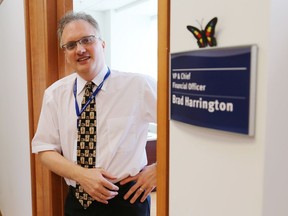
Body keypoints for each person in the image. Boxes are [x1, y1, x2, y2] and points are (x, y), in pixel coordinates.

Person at [32, 11, 157, 216]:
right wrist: (81, 175)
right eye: (71, 45)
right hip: (78, 200)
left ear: (102, 44)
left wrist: (160, 170)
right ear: (65, 52)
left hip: (127, 199)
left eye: (87, 40)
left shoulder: (138, 85)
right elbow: (44, 149)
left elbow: (180, 130)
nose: (80, 49)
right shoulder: (55, 94)